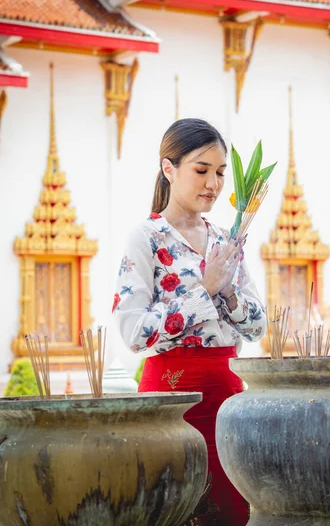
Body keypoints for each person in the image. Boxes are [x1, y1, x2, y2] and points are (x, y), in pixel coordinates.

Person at [113, 118, 267, 526]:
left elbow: (257, 327)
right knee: (173, 511)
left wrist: (228, 293)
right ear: (169, 169)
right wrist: (204, 291)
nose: (213, 184)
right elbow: (133, 332)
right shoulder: (145, 238)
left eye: (219, 173)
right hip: (170, 400)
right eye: (201, 171)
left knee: (232, 513)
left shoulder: (225, 238)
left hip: (229, 398)